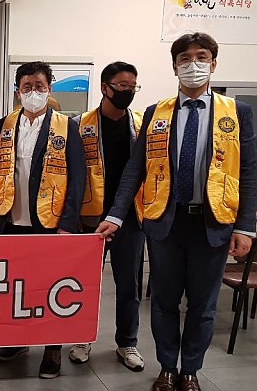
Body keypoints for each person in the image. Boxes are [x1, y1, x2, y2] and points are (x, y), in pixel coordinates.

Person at [96, 33, 257, 391]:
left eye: (201, 57)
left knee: (203, 305)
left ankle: (191, 371)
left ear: (213, 64)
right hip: (165, 222)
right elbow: (135, 169)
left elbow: (248, 171)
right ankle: (168, 367)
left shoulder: (236, 113)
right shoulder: (157, 113)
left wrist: (245, 227)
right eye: (185, 58)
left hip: (213, 223)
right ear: (174, 67)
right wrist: (116, 215)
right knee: (164, 302)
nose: (193, 64)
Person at [0, 61, 86, 379]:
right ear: (17, 91)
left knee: (50, 286)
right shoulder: (4, 125)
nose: (33, 92)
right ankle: (18, 340)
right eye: (27, 87)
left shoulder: (66, 127)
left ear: (49, 89)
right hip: (11, 220)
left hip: (50, 222)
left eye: (39, 86)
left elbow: (78, 178)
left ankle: (52, 348)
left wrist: (68, 224)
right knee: (15, 285)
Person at [68, 62, 146, 372]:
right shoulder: (79, 125)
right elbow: (71, 175)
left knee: (129, 285)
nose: (128, 92)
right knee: (85, 283)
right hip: (90, 219)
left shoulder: (141, 125)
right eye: (122, 86)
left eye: (132, 87)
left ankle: (127, 342)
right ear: (105, 87)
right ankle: (81, 338)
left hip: (131, 217)